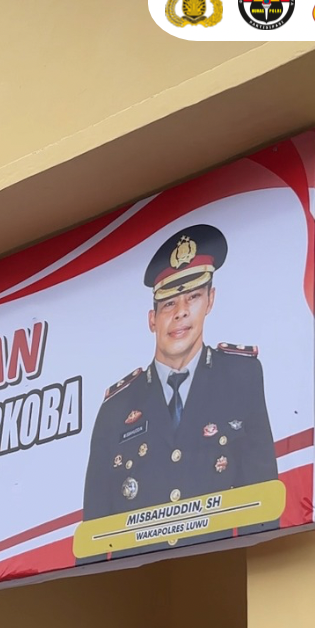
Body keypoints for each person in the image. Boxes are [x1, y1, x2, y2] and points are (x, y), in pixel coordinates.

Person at [81, 224, 278, 540]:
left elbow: (263, 502)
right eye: (169, 303)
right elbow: (95, 533)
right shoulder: (116, 408)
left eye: (193, 297)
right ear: (152, 319)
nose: (181, 313)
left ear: (210, 300)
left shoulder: (242, 377)